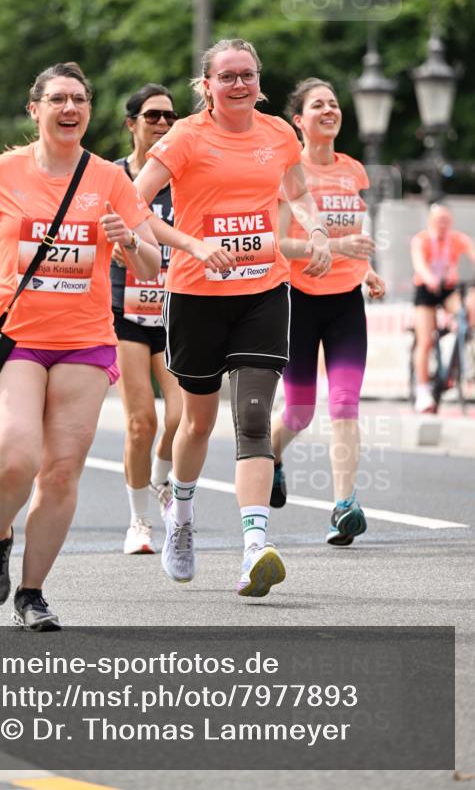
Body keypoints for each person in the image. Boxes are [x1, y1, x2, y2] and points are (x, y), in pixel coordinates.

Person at [0, 62, 161, 631]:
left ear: (89, 110)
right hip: (15, 336)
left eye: (79, 99)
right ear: (35, 108)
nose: (69, 109)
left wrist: (129, 243)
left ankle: (31, 593)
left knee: (62, 472)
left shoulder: (110, 180)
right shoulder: (1, 172)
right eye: (58, 100)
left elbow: (150, 262)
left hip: (85, 340)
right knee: (16, 458)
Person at [134, 39, 331, 599]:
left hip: (263, 292)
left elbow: (297, 190)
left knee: (251, 418)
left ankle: (254, 551)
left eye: (247, 75)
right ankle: (183, 514)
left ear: (259, 81)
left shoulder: (278, 133)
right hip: (196, 295)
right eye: (227, 77)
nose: (239, 84)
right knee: (196, 423)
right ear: (207, 86)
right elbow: (134, 203)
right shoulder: (186, 137)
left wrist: (315, 228)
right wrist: (190, 245)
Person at [268, 78, 385, 546]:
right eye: (318, 105)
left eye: (334, 103)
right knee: (297, 410)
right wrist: (337, 246)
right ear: (299, 120)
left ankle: (344, 505)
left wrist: (367, 268)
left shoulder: (354, 170)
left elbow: (354, 236)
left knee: (344, 405)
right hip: (298, 300)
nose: (329, 110)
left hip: (345, 303)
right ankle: (272, 456)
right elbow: (279, 244)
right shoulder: (288, 171)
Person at [110, 84, 183, 555]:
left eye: (170, 117)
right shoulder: (111, 178)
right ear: (131, 123)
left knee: (182, 415)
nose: (162, 124)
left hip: (176, 308)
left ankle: (160, 475)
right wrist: (110, 252)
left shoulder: (186, 178)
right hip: (125, 313)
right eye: (153, 116)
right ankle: (139, 522)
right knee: (141, 422)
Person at [410, 203, 475, 413]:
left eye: (447, 220)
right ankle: (422, 391)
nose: (443, 225)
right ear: (430, 221)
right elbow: (419, 263)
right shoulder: (421, 240)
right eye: (439, 220)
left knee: (469, 309)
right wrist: (429, 278)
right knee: (425, 340)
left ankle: (460, 338)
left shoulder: (457, 239)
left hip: (448, 289)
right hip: (425, 289)